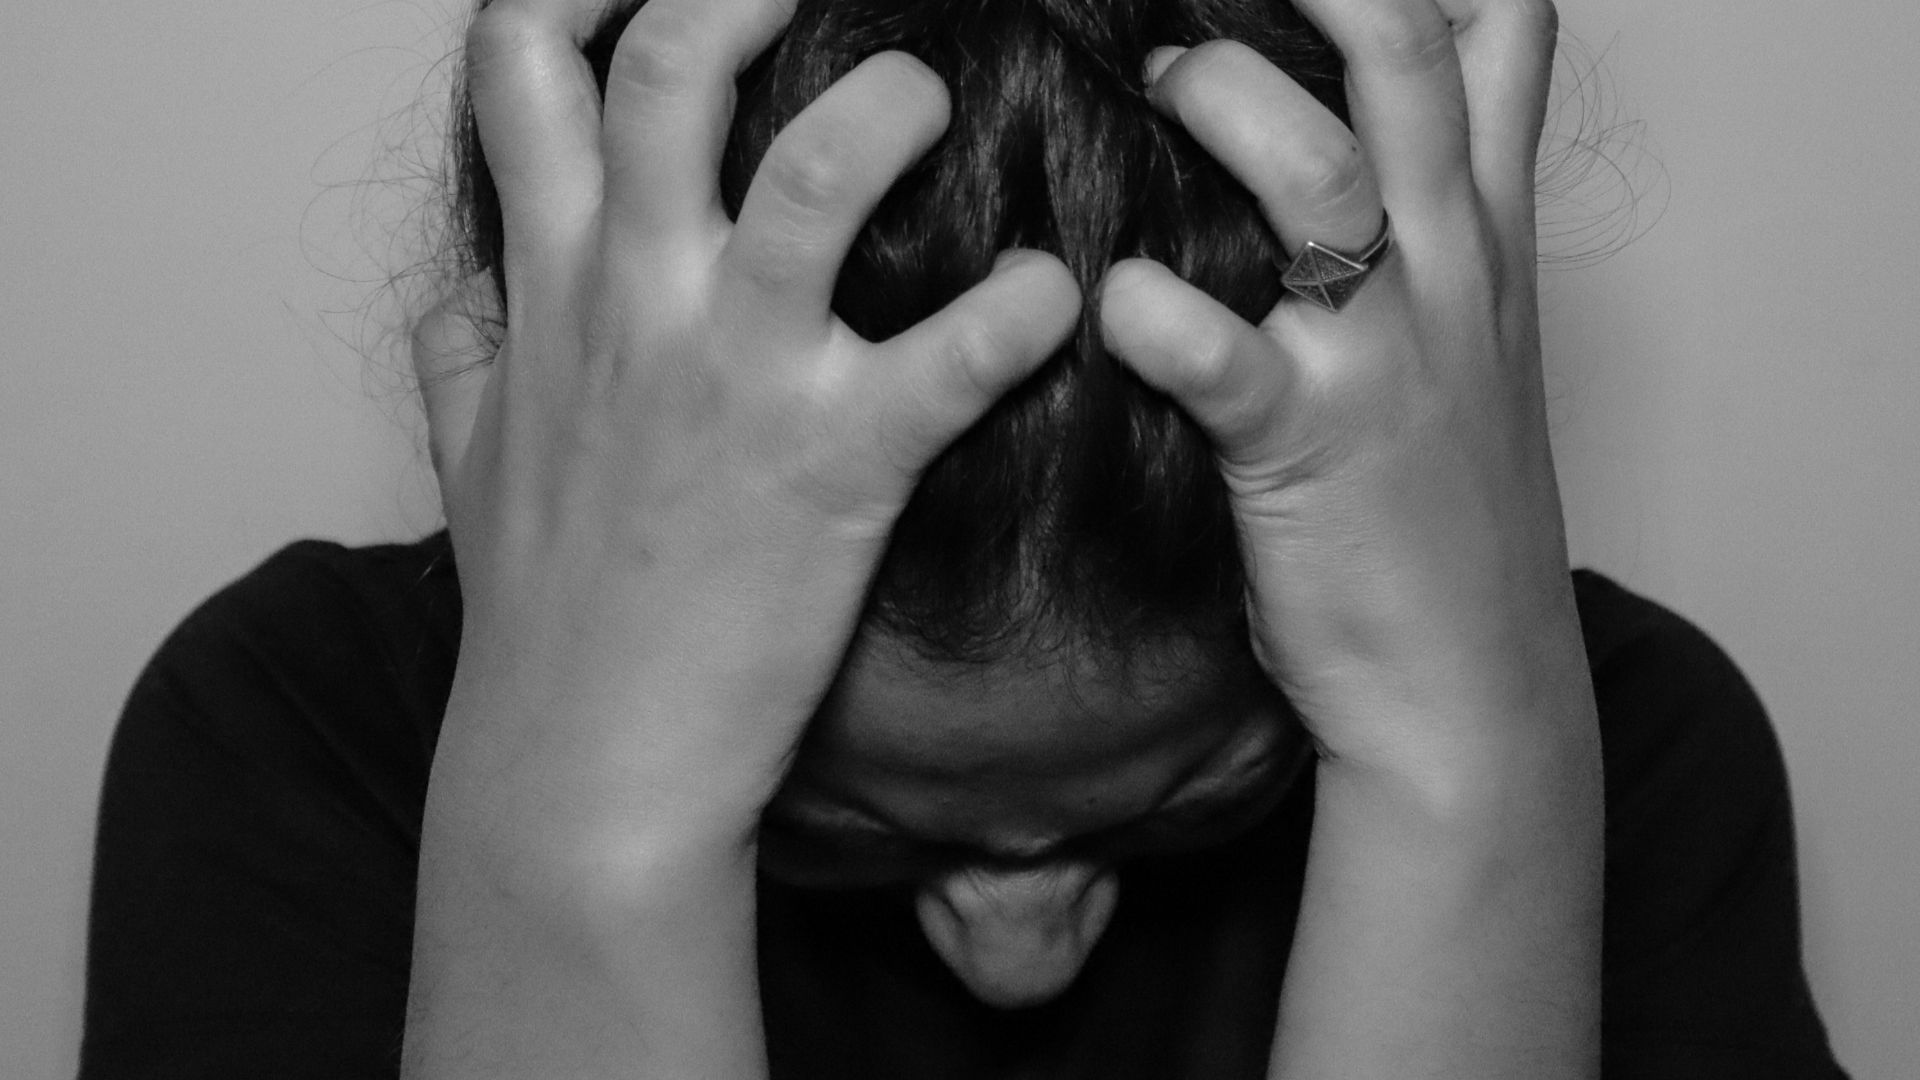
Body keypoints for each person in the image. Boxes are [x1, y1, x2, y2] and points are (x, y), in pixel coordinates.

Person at [81, 0, 1849, 1076]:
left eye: (1192, 802)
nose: (1024, 954)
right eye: (832, 826)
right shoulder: (300, 738)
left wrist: (1473, 765)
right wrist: (582, 827)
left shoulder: (1627, 745)